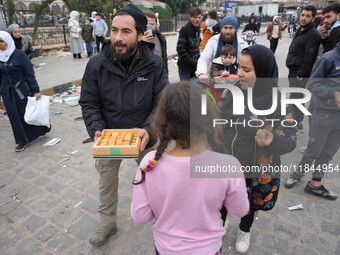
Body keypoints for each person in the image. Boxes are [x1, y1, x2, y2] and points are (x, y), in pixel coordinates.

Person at [79, 4, 168, 247]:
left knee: (156, 180)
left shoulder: (155, 64)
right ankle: (107, 223)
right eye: (115, 30)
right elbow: (88, 102)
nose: (118, 38)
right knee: (106, 183)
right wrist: (95, 128)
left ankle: (163, 219)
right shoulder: (96, 64)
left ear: (140, 34)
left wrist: (149, 131)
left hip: (142, 135)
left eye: (126, 32)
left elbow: (161, 103)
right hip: (108, 136)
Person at [131, 81, 249, 255]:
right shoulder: (228, 166)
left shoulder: (149, 162)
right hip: (209, 250)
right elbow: (239, 210)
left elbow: (140, 216)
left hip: (165, 249)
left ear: (163, 122)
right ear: (209, 120)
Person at [221, 45, 296, 253]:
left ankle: (245, 230)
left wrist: (272, 141)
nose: (240, 74)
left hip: (255, 168)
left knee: (249, 204)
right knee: (221, 199)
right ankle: (220, 224)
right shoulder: (233, 90)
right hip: (228, 163)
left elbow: (290, 141)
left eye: (247, 70)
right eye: (239, 68)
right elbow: (221, 118)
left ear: (262, 72)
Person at [284, 42, 340, 201]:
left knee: (328, 152)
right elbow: (312, 84)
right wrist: (332, 93)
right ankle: (298, 173)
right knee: (313, 150)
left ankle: (315, 183)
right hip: (324, 115)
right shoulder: (329, 59)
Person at [0, 31, 50, 152]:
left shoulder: (19, 55)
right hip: (7, 92)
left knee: (27, 113)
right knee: (14, 117)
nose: (0, 44)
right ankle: (22, 140)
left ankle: (41, 129)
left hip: (22, 90)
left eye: (1, 41)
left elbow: (29, 74)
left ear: (7, 41)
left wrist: (35, 90)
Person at [286, 5, 321, 132]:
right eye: (303, 15)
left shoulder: (313, 34)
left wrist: (301, 74)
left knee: (297, 98)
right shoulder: (301, 30)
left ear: (313, 18)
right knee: (294, 96)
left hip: (299, 73)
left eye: (308, 16)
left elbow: (309, 57)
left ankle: (296, 122)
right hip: (293, 69)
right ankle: (296, 121)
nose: (304, 18)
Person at [196, 15, 248, 82]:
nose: (228, 31)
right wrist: (202, 73)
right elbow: (204, 59)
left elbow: (247, 64)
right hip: (215, 80)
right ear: (221, 29)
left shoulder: (242, 44)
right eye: (225, 28)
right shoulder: (213, 41)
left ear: (235, 29)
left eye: (231, 28)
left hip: (236, 81)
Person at [176, 7, 203, 80]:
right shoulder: (185, 29)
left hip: (195, 67)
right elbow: (180, 49)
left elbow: (197, 42)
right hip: (185, 68)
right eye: (195, 17)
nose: (197, 20)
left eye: (199, 17)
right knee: (185, 90)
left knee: (194, 89)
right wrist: (191, 60)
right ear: (190, 17)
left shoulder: (197, 29)